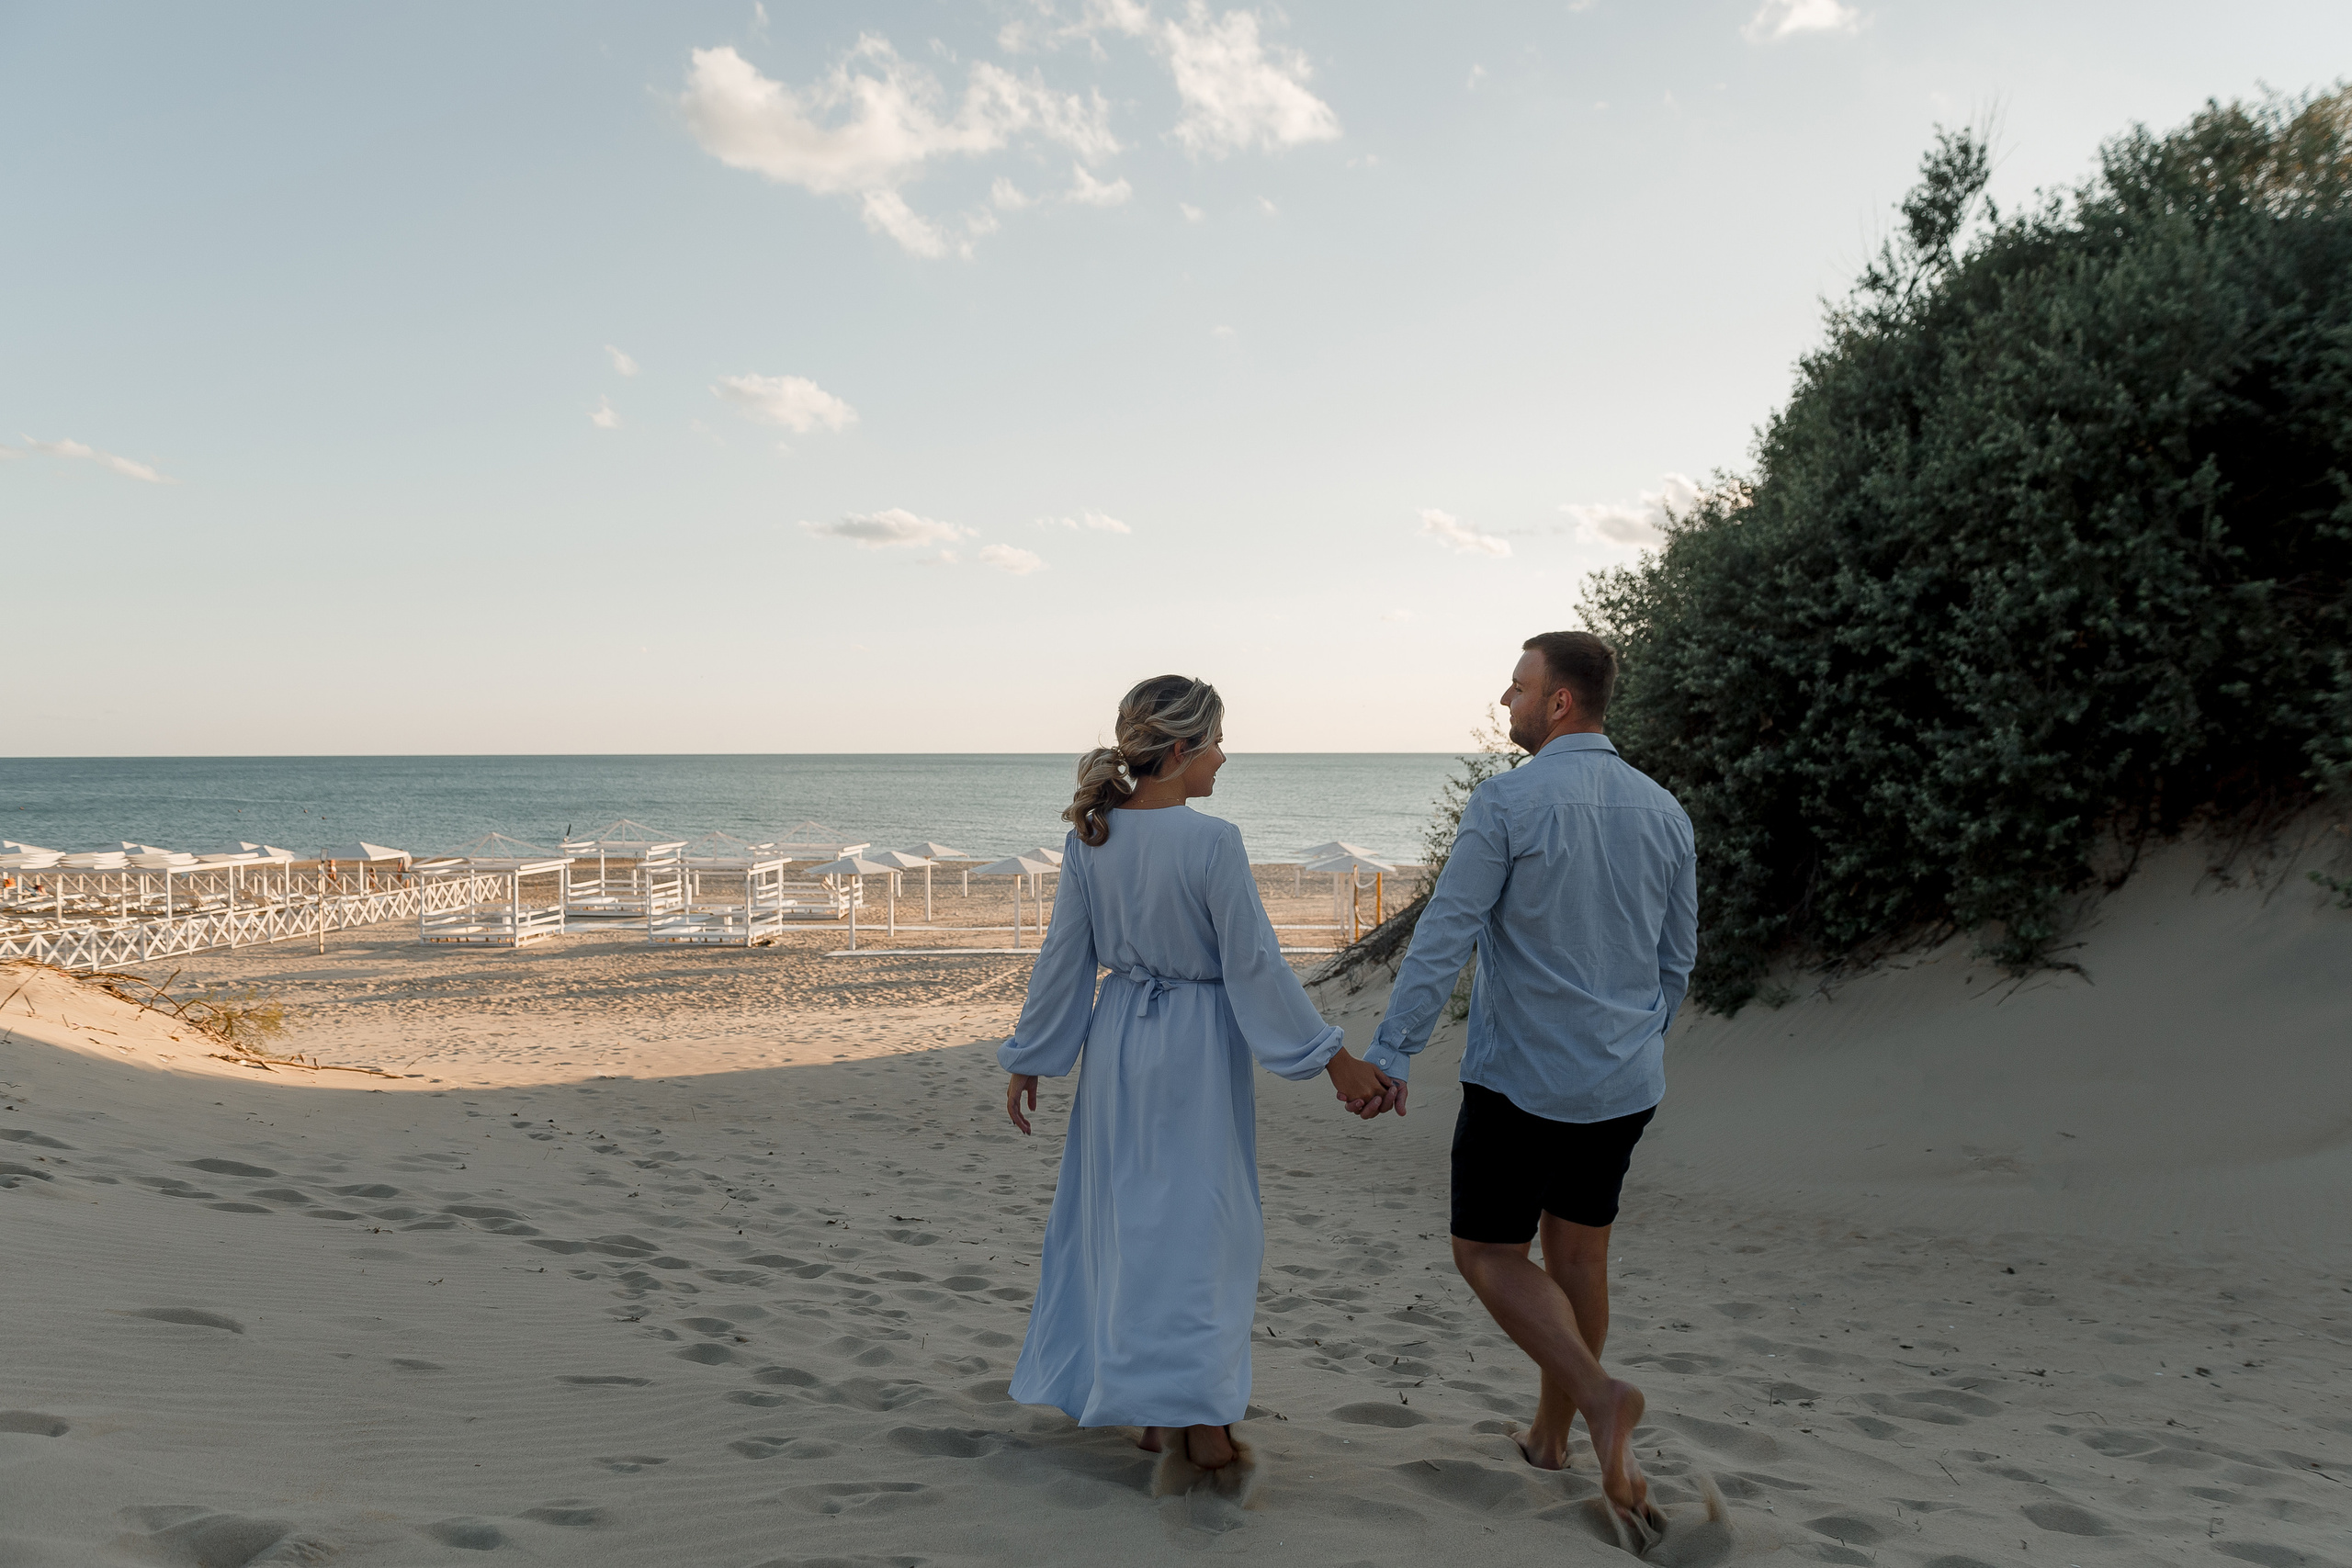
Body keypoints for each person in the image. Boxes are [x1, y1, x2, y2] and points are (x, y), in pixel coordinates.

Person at [998, 674, 1396, 1483]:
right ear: (1178, 751)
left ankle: (1156, 1411)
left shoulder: (1094, 837)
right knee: (1203, 1232)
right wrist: (1333, 1059)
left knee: (1131, 1225)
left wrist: (1034, 1054)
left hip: (1116, 1050)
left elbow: (1064, 961)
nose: (1225, 755)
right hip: (1192, 1052)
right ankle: (1201, 1428)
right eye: (1216, 739)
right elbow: (1253, 965)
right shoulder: (1212, 842)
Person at [1351, 631, 1696, 1529]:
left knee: (1488, 1254)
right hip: (1624, 1080)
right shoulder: (1664, 810)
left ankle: (1596, 1398)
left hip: (1520, 1078)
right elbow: (1676, 962)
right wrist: (1630, 1044)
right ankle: (1550, 1445)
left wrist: (1390, 1053)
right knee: (1578, 1256)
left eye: (1515, 690)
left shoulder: (1506, 801)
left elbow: (1445, 936)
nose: (1503, 703)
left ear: (1557, 704)